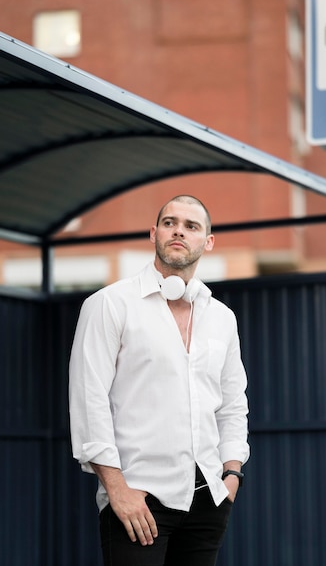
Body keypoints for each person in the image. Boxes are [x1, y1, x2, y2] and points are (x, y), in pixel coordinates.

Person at [69, 195, 249, 566]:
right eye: (169, 222)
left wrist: (231, 475)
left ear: (208, 242)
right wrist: (117, 491)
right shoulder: (109, 305)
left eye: (191, 225)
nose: (179, 230)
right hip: (138, 500)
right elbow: (90, 401)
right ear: (154, 233)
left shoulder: (222, 318)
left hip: (208, 500)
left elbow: (232, 404)